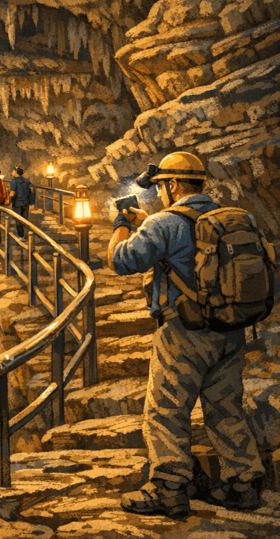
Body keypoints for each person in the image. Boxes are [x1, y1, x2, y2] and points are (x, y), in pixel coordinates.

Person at [109, 152, 265, 518]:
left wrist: (121, 225)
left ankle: (168, 487)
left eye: (162, 186)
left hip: (184, 331)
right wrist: (149, 223)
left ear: (173, 185)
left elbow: (121, 261)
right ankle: (243, 485)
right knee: (225, 408)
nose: (161, 193)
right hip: (230, 329)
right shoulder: (232, 218)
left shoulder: (163, 224)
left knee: (166, 410)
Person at [8, 166, 32, 238]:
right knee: (24, 218)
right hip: (25, 201)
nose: (11, 172)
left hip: (17, 202)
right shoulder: (25, 180)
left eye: (13, 170)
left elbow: (12, 193)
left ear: (16, 172)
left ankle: (21, 235)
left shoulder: (14, 181)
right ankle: (27, 234)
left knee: (18, 219)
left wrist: (8, 199)